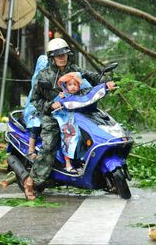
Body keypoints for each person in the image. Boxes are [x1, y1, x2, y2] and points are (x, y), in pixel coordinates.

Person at [22, 38, 115, 200]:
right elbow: (35, 100)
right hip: (52, 114)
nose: (62, 57)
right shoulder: (44, 75)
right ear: (52, 57)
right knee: (50, 141)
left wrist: (107, 83)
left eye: (64, 54)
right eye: (58, 55)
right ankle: (32, 181)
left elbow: (91, 76)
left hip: (74, 109)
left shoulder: (74, 69)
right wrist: (51, 105)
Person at [54, 72, 84, 174]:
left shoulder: (81, 96)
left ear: (79, 86)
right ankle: (67, 163)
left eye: (75, 84)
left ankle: (79, 161)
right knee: (69, 139)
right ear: (65, 86)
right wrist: (60, 99)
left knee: (82, 136)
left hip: (78, 120)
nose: (72, 87)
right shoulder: (63, 95)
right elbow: (55, 105)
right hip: (66, 120)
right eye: (70, 85)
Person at [23, 55, 49, 160]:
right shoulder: (38, 81)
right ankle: (31, 149)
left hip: (51, 109)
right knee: (37, 122)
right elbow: (36, 101)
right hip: (35, 110)